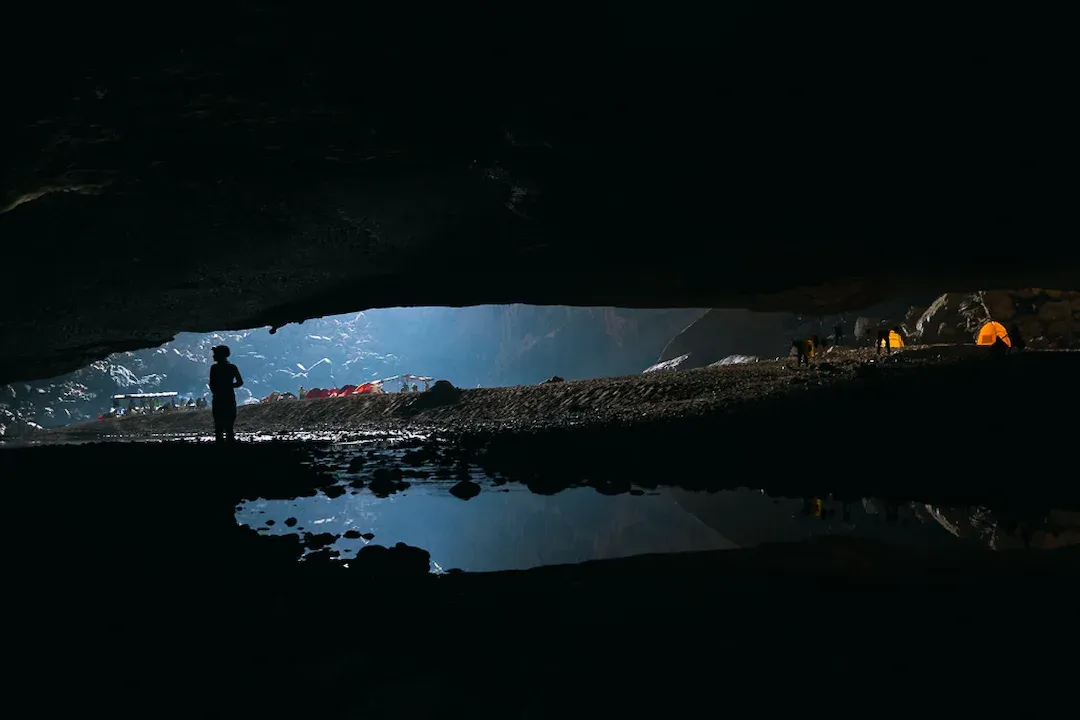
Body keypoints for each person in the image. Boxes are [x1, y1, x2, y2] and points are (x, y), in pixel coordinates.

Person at [208, 345, 243, 443]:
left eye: (215, 354)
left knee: (218, 424)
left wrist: (217, 391)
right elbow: (240, 382)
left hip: (218, 398)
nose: (213, 356)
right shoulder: (232, 367)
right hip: (229, 397)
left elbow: (212, 384)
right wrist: (229, 386)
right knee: (229, 424)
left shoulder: (214, 368)